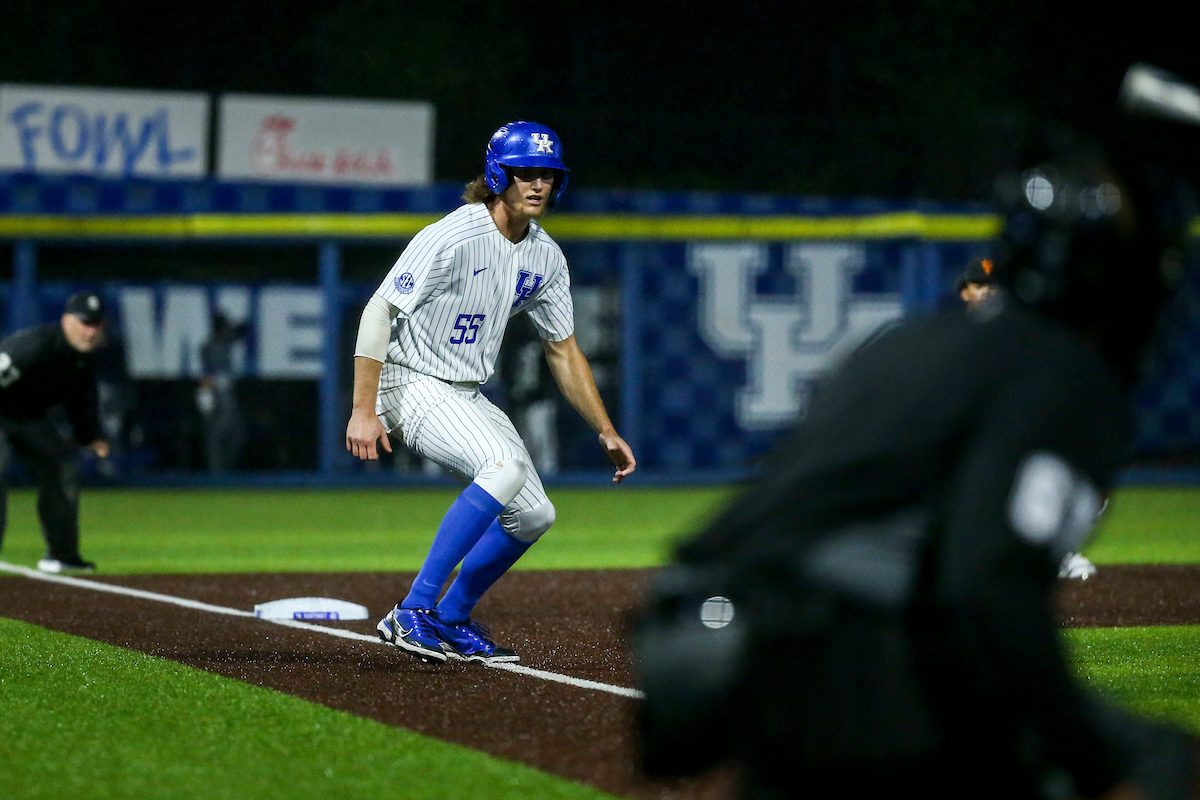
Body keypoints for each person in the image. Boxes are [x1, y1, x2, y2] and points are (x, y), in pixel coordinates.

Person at [635, 145, 1197, 798]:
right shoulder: (1061, 371)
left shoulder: (910, 342)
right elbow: (988, 583)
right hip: (841, 661)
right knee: (1152, 759)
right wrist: (1095, 767)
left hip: (703, 640)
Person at [346, 121, 636, 664]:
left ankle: (451, 617)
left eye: (549, 175)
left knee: (534, 515)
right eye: (526, 172)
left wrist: (605, 428)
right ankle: (412, 610)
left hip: (465, 392)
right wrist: (363, 410)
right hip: (408, 379)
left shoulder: (546, 256)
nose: (539, 184)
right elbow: (379, 310)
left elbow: (562, 350)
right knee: (503, 468)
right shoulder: (454, 234)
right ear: (498, 174)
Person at [958, 258, 1100, 580]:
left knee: (1048, 481)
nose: (982, 294)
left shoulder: (1027, 329)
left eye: (987, 288)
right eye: (976, 289)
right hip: (988, 429)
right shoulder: (970, 337)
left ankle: (1052, 555)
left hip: (1022, 427)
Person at [0, 292, 110, 572]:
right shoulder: (33, 346)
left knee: (63, 466)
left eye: (96, 324)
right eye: (85, 323)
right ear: (66, 321)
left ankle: (62, 555)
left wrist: (90, 435)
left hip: (30, 418)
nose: (91, 331)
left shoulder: (83, 359)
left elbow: (82, 401)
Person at [197, 313, 250, 473]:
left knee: (236, 432)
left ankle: (225, 470)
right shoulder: (209, 346)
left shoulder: (225, 340)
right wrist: (205, 399)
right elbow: (207, 376)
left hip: (225, 393)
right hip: (210, 391)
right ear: (220, 328)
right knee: (215, 433)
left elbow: (243, 330)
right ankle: (216, 472)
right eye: (225, 326)